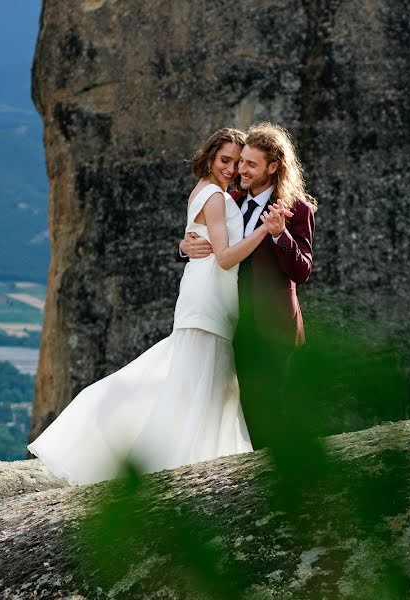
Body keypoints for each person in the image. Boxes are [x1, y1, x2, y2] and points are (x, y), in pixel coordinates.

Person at [28, 128, 290, 485]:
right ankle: (181, 462)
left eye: (237, 162)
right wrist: (263, 230)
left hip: (208, 294)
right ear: (211, 158)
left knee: (194, 379)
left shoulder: (208, 191)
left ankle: (185, 458)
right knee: (202, 379)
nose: (231, 169)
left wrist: (185, 248)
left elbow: (203, 243)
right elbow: (226, 257)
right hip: (210, 297)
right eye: (225, 160)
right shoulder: (217, 197)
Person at [177, 122, 316, 449]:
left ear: (273, 166)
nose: (241, 169)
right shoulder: (230, 198)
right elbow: (209, 239)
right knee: (234, 409)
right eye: (240, 162)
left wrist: (281, 234)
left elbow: (303, 271)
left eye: (250, 164)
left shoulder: (298, 210)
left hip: (272, 326)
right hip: (229, 320)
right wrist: (183, 247)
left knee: (270, 407)